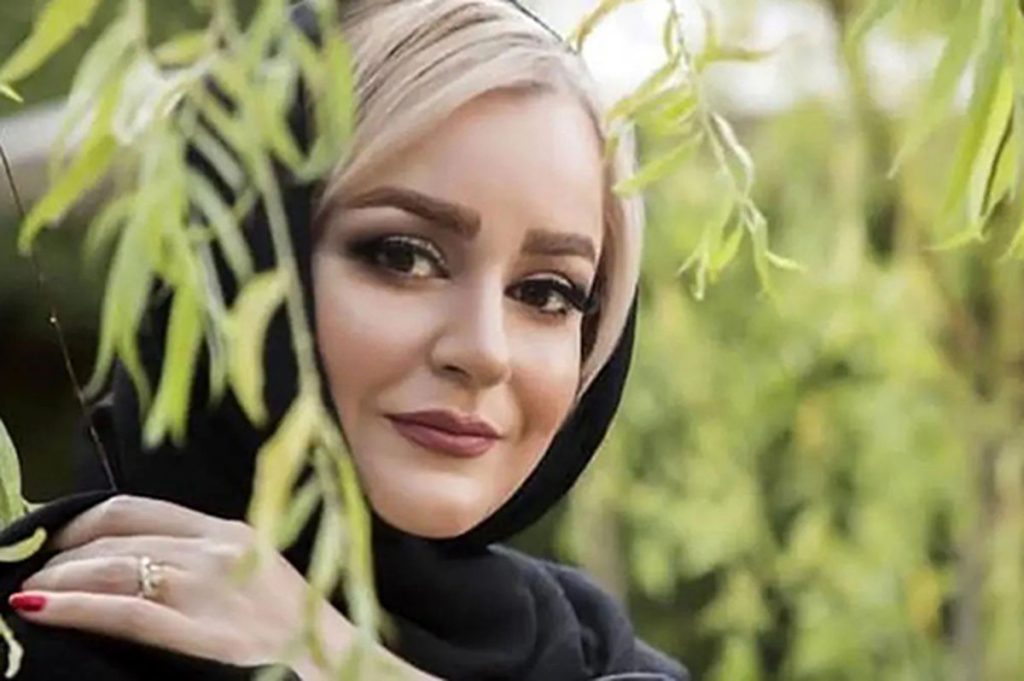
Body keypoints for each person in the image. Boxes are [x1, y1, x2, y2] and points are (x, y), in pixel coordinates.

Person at [0, 1, 688, 679]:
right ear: (237, 258)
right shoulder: (36, 649)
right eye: (403, 255)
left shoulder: (600, 658)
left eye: (546, 293)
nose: (485, 352)